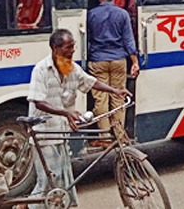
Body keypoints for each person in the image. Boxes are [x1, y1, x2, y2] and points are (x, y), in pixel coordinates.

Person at [27, 28, 129, 208]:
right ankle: (30, 206)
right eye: (68, 47)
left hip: (61, 132)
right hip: (44, 133)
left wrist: (114, 90)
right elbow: (38, 102)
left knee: (64, 175)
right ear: (55, 49)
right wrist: (66, 113)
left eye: (73, 46)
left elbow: (90, 82)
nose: (72, 50)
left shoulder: (71, 68)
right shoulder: (41, 70)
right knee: (49, 180)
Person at [87, 0, 139, 143]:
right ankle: (119, 135)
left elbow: (87, 40)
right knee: (118, 97)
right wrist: (135, 62)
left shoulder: (91, 14)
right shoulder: (122, 14)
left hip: (98, 61)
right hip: (118, 60)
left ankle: (104, 136)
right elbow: (129, 40)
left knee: (100, 98)